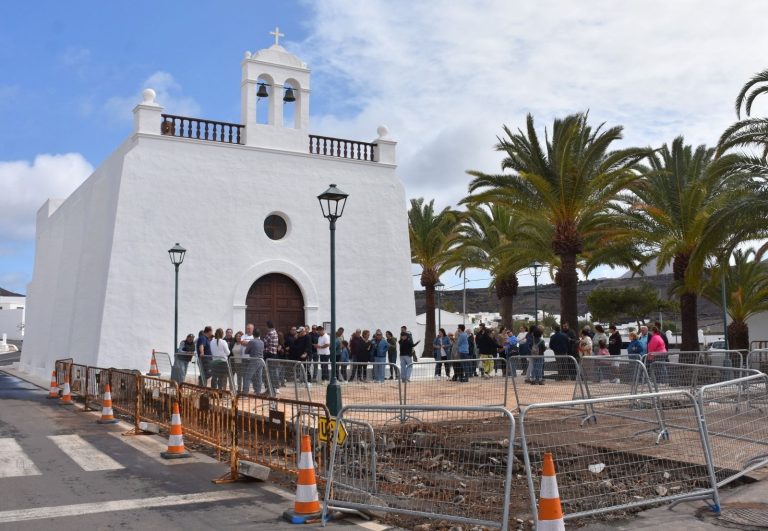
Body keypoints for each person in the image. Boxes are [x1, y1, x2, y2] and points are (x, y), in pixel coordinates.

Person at [242, 329, 265, 395]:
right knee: (259, 377)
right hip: (261, 360)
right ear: (259, 335)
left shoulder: (252, 342)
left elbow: (246, 351)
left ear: (253, 335)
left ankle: (245, 392)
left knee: (247, 377)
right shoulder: (262, 342)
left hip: (254, 360)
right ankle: (258, 392)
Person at [264, 321, 281, 392]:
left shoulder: (270, 333)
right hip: (274, 354)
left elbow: (264, 342)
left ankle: (271, 388)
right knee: (274, 371)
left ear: (268, 326)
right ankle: (275, 387)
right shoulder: (275, 332)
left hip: (269, 354)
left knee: (269, 371)